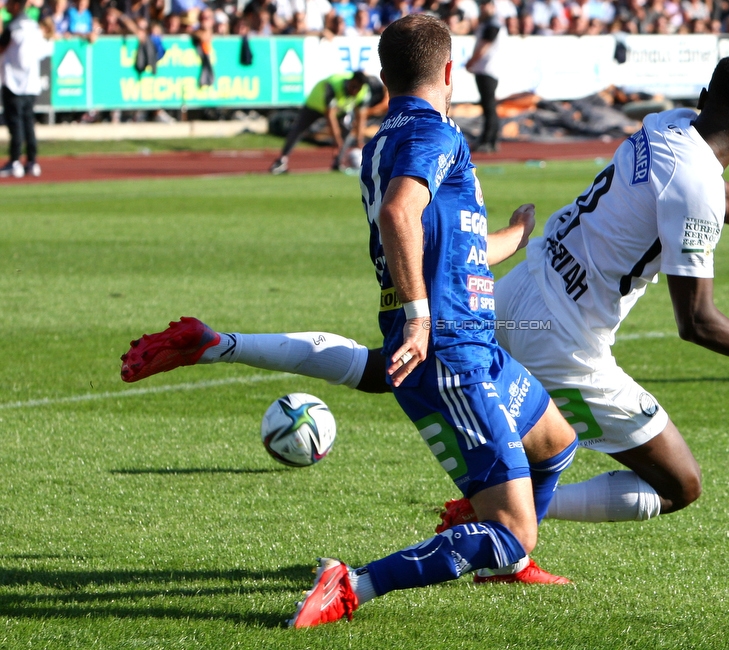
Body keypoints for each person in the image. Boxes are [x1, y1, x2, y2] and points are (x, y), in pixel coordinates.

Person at [120, 56, 729, 578]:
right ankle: (490, 526)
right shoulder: (699, 181)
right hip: (569, 343)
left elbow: (708, 196)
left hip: (518, 291)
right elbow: (699, 322)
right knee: (679, 485)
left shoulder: (669, 125)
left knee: (399, 372)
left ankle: (225, 344)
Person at [123, 14, 579, 628]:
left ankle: (494, 551)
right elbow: (399, 214)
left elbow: (450, 242)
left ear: (384, 78)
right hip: (451, 348)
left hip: (463, 337)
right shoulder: (431, 135)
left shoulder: (391, 138)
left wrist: (515, 235)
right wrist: (420, 319)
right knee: (517, 531)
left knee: (555, 444)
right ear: (449, 72)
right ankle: (356, 584)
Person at [269, 70, 387, 174]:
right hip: (315, 104)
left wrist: (359, 140)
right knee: (299, 130)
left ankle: (337, 162)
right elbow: (330, 116)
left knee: (347, 131)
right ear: (350, 81)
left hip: (340, 108)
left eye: (358, 88)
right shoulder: (333, 86)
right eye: (353, 87)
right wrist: (336, 139)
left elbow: (361, 117)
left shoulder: (363, 91)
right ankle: (281, 160)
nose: (355, 91)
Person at [0, 0, 53, 178]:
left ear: (16, 6)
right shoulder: (34, 27)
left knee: (16, 124)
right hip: (31, 84)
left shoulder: (14, 28)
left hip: (14, 82)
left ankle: (15, 161)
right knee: (28, 124)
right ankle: (31, 161)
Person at [466, 0, 505, 153]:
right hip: (485, 68)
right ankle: (489, 139)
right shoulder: (489, 22)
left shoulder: (493, 23)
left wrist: (472, 61)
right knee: (488, 105)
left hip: (488, 68)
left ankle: (489, 140)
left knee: (489, 105)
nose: (483, 8)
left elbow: (485, 45)